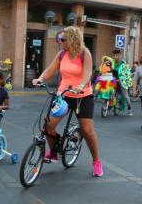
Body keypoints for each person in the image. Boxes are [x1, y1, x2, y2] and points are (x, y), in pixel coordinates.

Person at [32, 26, 103, 177]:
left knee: (87, 130)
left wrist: (81, 86)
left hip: (83, 96)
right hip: (63, 94)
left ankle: (96, 161)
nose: (60, 42)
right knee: (48, 126)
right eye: (59, 39)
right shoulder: (62, 54)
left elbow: (87, 73)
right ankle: (54, 152)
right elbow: (50, 70)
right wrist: (40, 79)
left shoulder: (85, 53)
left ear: (72, 40)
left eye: (62, 39)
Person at [111, 49, 133, 115]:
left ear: (120, 56)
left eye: (117, 55)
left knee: (125, 96)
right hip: (113, 81)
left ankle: (130, 108)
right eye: (114, 55)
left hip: (122, 81)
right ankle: (109, 105)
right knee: (110, 93)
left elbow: (127, 74)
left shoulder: (124, 64)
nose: (115, 57)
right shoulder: (111, 63)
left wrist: (121, 79)